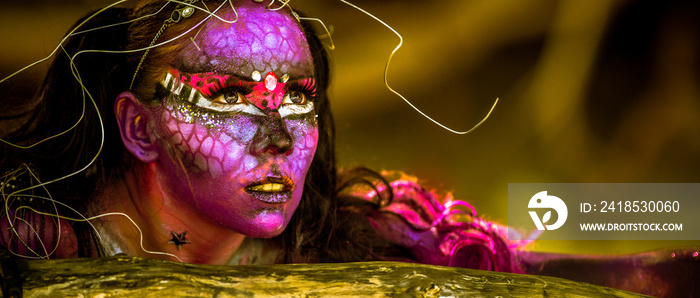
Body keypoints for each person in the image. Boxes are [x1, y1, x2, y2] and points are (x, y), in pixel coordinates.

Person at [0, 1, 696, 296]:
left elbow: (544, 261)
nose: (277, 134)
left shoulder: (364, 229)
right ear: (139, 126)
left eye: (298, 96)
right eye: (227, 94)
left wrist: (671, 267)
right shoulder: (34, 232)